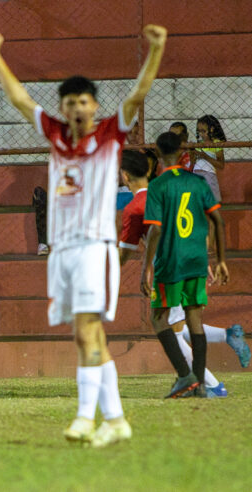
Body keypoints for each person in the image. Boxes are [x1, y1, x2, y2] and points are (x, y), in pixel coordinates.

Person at [0, 24, 167, 448]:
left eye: (84, 101)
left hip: (94, 247)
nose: (77, 108)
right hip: (63, 251)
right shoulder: (55, 134)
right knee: (87, 335)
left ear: (95, 106)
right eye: (70, 102)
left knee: (86, 331)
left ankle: (85, 418)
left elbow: (137, 95)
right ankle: (116, 419)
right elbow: (20, 99)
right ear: (64, 109)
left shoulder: (109, 135)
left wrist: (155, 50)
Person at [117, 150, 249, 398]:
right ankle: (228, 336)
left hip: (169, 268)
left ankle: (211, 384)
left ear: (125, 176)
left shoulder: (136, 206)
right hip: (191, 260)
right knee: (182, 323)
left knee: (171, 329)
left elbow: (128, 250)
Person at [141, 131, 228, 399]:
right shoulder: (198, 182)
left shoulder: (157, 185)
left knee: (158, 318)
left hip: (171, 259)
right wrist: (221, 260)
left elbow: (154, 230)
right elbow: (218, 221)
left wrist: (147, 266)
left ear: (157, 154)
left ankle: (183, 376)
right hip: (197, 259)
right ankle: (199, 384)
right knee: (194, 319)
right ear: (182, 152)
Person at [192, 115, 226, 202]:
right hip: (196, 174)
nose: (201, 134)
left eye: (203, 131)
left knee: (211, 201)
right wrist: (191, 152)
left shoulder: (216, 144)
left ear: (212, 129)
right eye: (199, 131)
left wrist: (205, 156)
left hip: (209, 175)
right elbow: (193, 162)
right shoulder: (199, 144)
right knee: (197, 201)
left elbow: (221, 165)